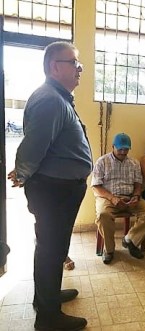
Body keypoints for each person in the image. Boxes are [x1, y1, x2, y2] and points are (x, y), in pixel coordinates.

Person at [6, 41, 91, 330]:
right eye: (74, 63)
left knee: (53, 248)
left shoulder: (59, 97)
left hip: (60, 188)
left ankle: (48, 297)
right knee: (51, 250)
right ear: (55, 67)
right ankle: (48, 318)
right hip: (54, 190)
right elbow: (33, 147)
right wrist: (22, 173)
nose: (80, 69)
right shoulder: (50, 99)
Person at [92, 133, 145, 264]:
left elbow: (138, 184)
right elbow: (96, 187)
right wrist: (112, 198)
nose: (123, 152)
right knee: (103, 215)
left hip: (129, 197)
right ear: (113, 147)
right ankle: (109, 250)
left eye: (126, 149)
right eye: (120, 149)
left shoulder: (134, 163)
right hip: (108, 197)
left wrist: (136, 195)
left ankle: (130, 240)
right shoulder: (102, 161)